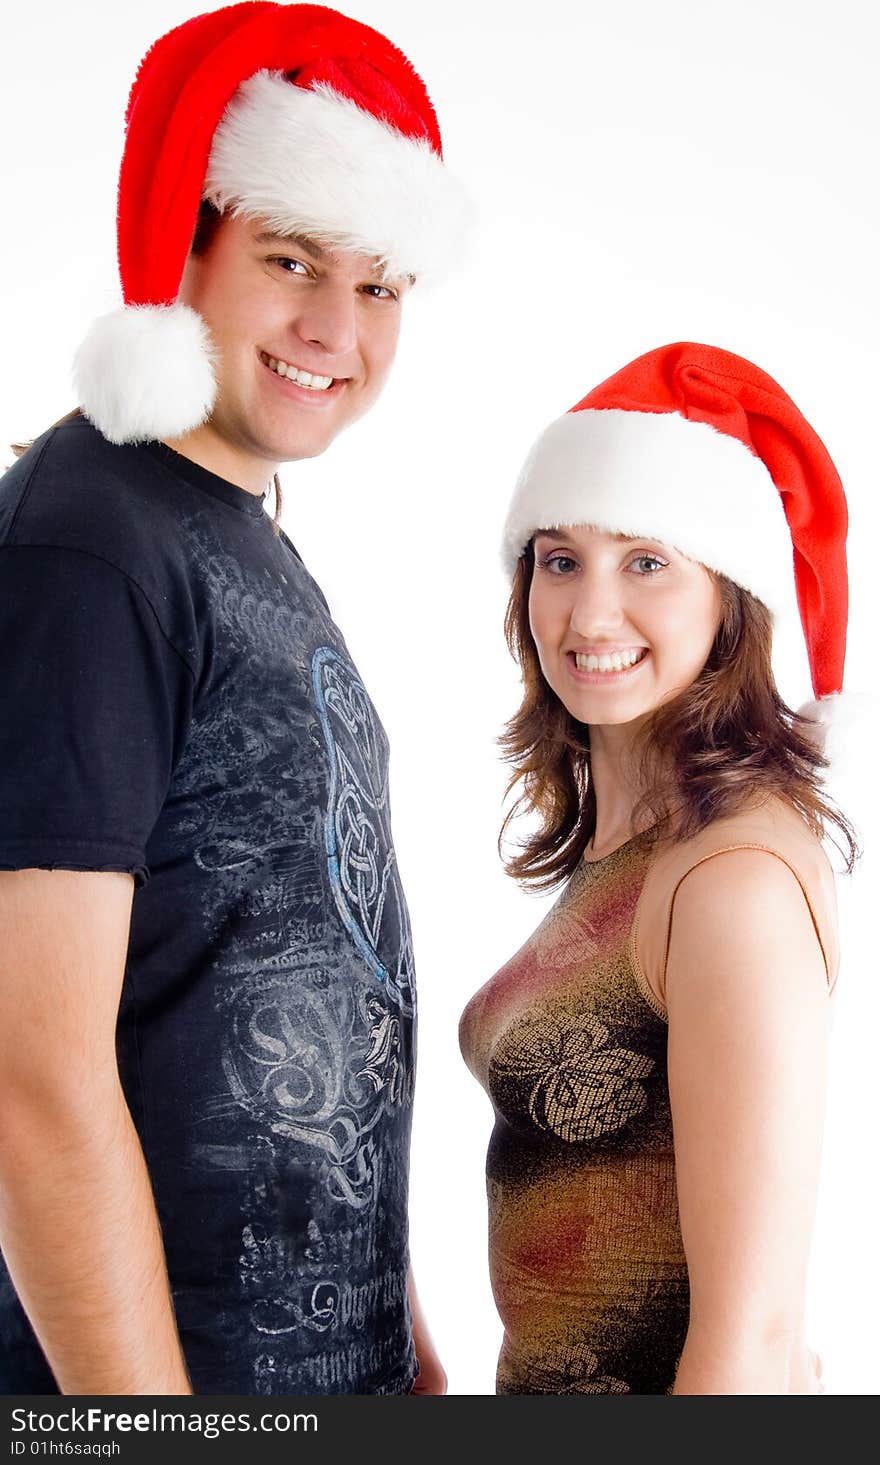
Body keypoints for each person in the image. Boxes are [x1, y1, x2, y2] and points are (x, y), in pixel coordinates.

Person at [0, 2, 466, 1396]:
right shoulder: (92, 542)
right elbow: (29, 1073)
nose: (338, 326)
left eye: (382, 286)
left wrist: (411, 1350)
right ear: (184, 249)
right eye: (289, 260)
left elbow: (324, 967)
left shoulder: (236, 530)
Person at [459, 341, 856, 1395]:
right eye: (559, 559)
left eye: (646, 562)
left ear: (729, 596)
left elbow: (752, 1343)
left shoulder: (732, 883)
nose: (589, 615)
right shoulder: (641, 845)